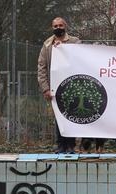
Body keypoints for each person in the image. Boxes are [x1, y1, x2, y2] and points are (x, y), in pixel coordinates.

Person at [38, 17, 82, 154]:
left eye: (60, 25)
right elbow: (41, 67)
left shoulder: (76, 42)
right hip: (55, 88)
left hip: (73, 87)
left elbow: (82, 60)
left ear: (66, 26)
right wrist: (45, 88)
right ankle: (60, 145)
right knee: (58, 117)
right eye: (55, 26)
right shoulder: (47, 45)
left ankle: (71, 145)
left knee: (72, 116)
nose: (58, 28)